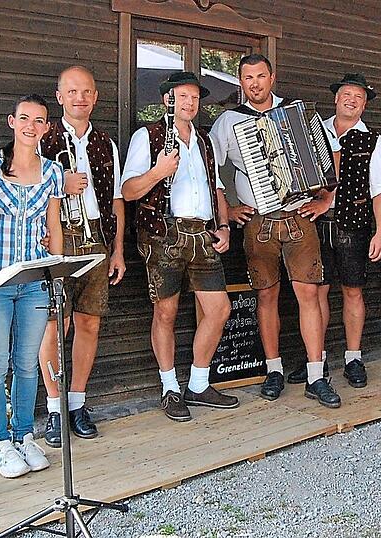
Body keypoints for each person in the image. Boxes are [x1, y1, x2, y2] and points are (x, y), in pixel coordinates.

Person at [209, 54, 339, 408]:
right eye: (248, 77)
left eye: (260, 76)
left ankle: (316, 375)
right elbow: (211, 170)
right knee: (266, 296)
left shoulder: (298, 113)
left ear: (272, 77)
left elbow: (329, 158)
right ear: (240, 82)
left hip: (298, 215)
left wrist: (326, 199)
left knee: (308, 295)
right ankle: (274, 370)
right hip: (257, 222)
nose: (254, 83)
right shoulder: (228, 122)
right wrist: (230, 209)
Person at [121, 71, 237, 421]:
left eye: (194, 97)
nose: (189, 102)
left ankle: (198, 383)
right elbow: (128, 191)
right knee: (165, 313)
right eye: (181, 96)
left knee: (220, 310)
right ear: (166, 100)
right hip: (164, 235)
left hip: (203, 235)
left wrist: (225, 225)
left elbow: (216, 187)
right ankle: (170, 387)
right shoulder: (148, 136)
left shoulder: (205, 141)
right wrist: (158, 172)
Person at [37, 65, 126, 447]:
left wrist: (117, 249)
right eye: (72, 91)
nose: (80, 98)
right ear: (59, 97)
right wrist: (61, 182)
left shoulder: (107, 143)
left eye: (86, 91)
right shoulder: (40, 137)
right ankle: (55, 409)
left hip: (97, 241)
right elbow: (28, 187)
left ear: (95, 97)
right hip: (59, 239)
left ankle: (77, 402)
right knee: (57, 325)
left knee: (89, 323)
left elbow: (118, 199)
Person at [0, 94, 63, 478]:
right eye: (25, 118)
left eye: (40, 120)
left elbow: (54, 226)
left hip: (33, 280)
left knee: (28, 364)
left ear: (47, 127)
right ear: (12, 122)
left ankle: (24, 436)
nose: (32, 126)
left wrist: (56, 273)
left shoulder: (53, 172)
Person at [290, 73, 381, 389]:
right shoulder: (312, 131)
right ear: (336, 98)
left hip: (354, 224)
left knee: (353, 290)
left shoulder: (374, 141)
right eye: (347, 94)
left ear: (364, 104)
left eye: (358, 96)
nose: (352, 100)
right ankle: (315, 360)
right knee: (316, 292)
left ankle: (353, 357)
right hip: (313, 224)